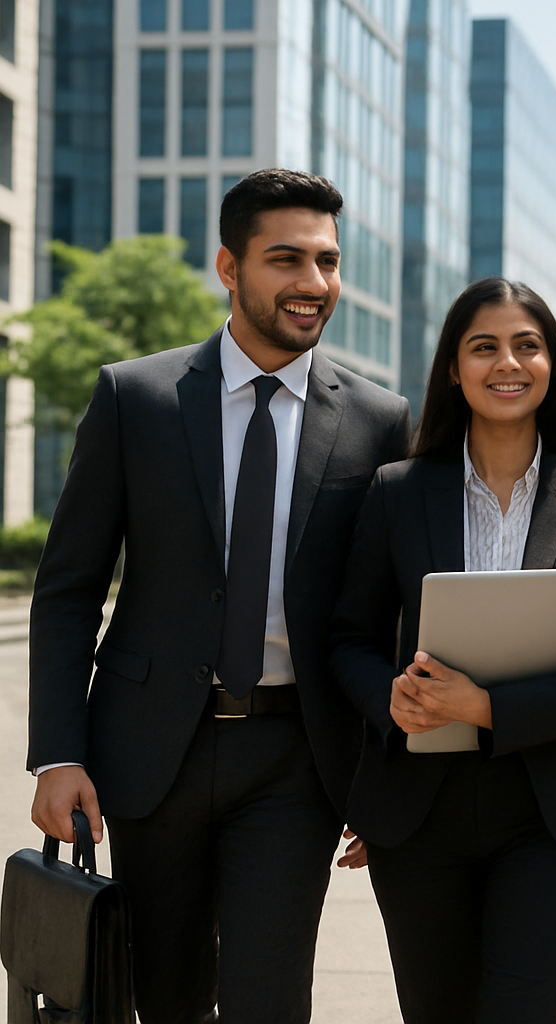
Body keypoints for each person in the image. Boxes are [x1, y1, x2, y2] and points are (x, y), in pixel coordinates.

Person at [26, 168, 411, 1022]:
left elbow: (388, 612)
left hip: (297, 758)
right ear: (229, 269)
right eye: (287, 260)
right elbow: (68, 589)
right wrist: (58, 751)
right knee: (165, 995)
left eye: (328, 261)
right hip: (149, 750)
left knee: (270, 1000)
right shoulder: (138, 397)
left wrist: (388, 774)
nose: (314, 284)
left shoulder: (381, 420)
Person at [329, 277, 556, 1023]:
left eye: (527, 345)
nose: (507, 363)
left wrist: (485, 707)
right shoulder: (397, 491)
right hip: (420, 812)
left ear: (554, 365)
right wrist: (391, 697)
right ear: (453, 367)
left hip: (555, 815)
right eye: (484, 347)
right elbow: (349, 639)